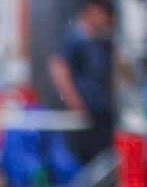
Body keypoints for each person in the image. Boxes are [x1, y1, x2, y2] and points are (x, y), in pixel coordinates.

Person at [48, 0, 116, 164]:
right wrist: (76, 104)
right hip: (84, 115)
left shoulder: (101, 41)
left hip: (102, 114)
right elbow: (59, 71)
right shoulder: (73, 38)